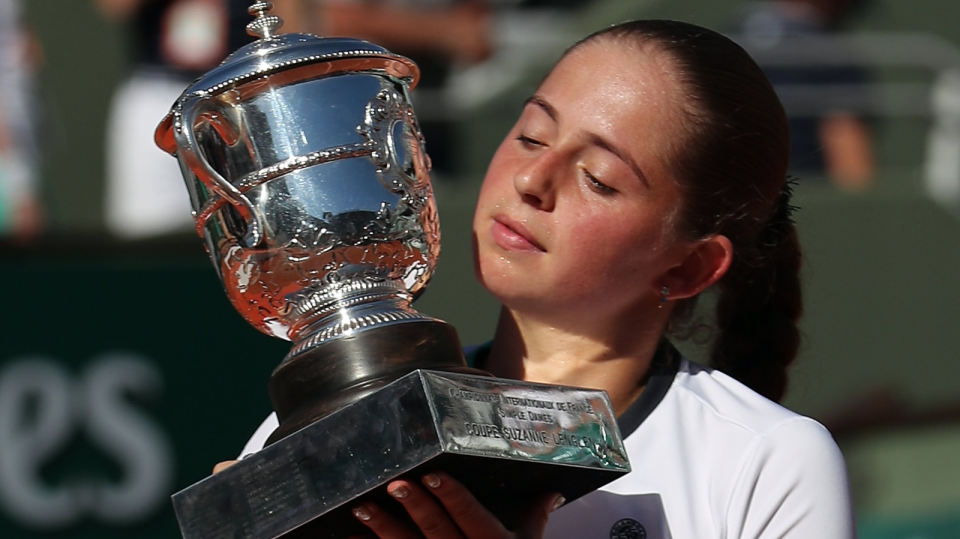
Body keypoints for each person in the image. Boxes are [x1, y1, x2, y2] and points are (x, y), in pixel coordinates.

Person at [226, 20, 855, 539]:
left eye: (599, 179)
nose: (533, 180)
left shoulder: (766, 461)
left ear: (688, 266)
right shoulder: (329, 429)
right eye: (532, 135)